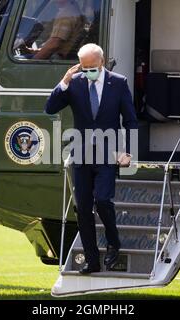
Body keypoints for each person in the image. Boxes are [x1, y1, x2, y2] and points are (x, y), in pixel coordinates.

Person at [45, 43, 138, 274]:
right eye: (84, 67)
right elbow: (50, 108)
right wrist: (64, 82)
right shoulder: (74, 83)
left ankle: (113, 243)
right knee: (83, 208)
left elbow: (130, 120)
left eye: (92, 67)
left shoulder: (118, 82)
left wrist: (128, 153)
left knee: (104, 200)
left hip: (109, 154)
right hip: (82, 155)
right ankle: (92, 259)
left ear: (102, 62)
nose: (88, 72)